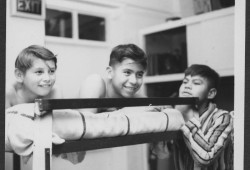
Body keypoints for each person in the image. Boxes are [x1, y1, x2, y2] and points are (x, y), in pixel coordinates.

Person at [152, 64, 234, 170]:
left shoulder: (223, 118)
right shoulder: (176, 115)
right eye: (185, 82)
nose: (187, 86)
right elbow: (162, 153)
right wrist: (163, 118)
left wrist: (187, 117)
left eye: (196, 83)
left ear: (211, 93)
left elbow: (205, 158)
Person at [79, 43, 147, 113]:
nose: (134, 81)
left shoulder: (136, 96)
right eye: (127, 72)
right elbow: (84, 122)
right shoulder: (94, 82)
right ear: (110, 72)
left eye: (139, 74)